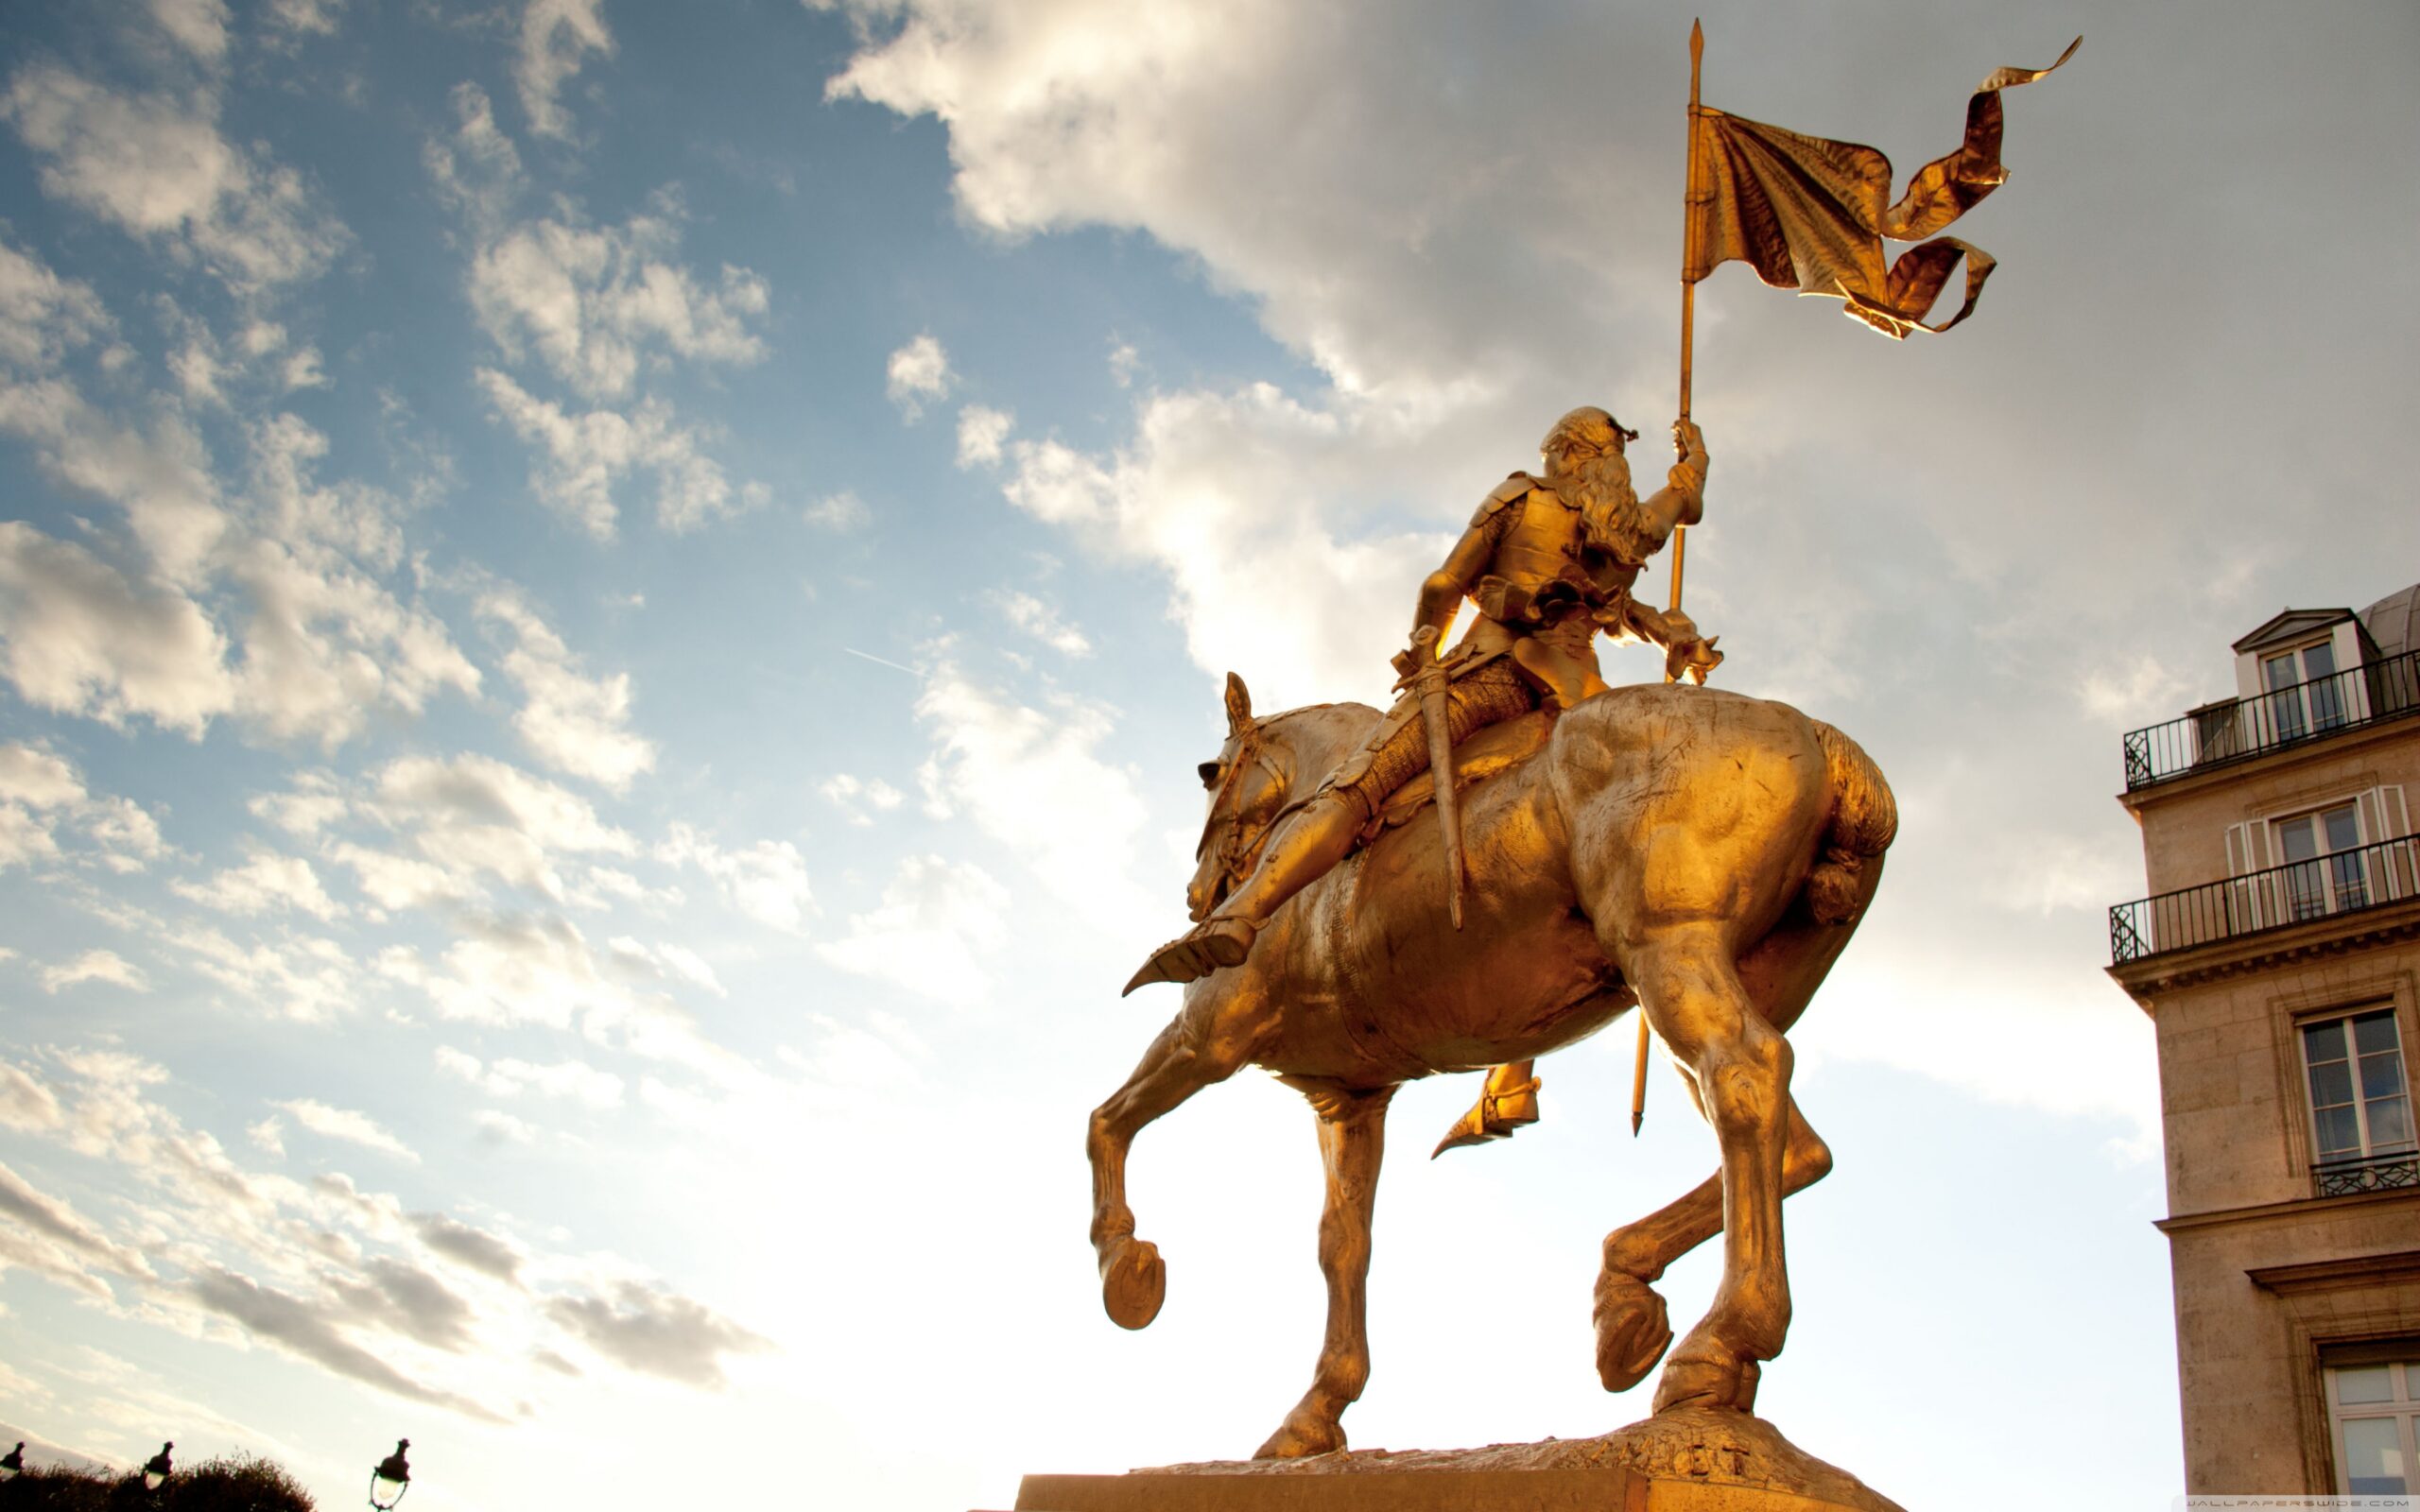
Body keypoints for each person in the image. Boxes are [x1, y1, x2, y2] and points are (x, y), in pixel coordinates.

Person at [1127, 405, 1720, 998]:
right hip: (1574, 696)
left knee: (1354, 787)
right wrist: (1693, 461)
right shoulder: (1632, 527)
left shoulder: (1522, 496)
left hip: (1489, 678)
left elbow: (1444, 584)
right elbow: (1681, 504)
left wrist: (1425, 641)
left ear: (1566, 452)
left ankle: (1240, 915)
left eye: (1550, 455)